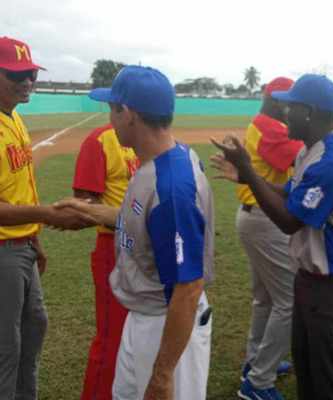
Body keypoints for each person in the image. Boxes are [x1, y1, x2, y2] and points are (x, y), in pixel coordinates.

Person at [211, 74, 333, 400]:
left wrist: (247, 169)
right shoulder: (311, 151)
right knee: (310, 378)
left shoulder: (331, 159)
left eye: (292, 107)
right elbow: (289, 193)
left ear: (310, 112)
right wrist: (248, 174)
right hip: (314, 282)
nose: (285, 113)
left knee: (331, 386)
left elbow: (289, 220)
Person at [58, 65, 214, 400]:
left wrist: (163, 375)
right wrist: (89, 210)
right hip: (144, 314)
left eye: (112, 110)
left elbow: (187, 287)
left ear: (128, 114)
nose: (109, 119)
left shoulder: (172, 189)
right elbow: (146, 225)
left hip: (168, 324)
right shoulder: (156, 161)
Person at [0, 36, 92, 400]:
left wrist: (35, 238)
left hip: (21, 246)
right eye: (15, 75)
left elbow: (21, 186)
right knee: (6, 348)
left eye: (31, 75)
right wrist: (48, 214)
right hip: (3, 251)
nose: (26, 83)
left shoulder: (14, 119)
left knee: (35, 328)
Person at [235, 77, 299, 400]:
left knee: (266, 298)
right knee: (289, 299)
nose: (290, 107)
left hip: (256, 216)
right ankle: (259, 381)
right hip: (265, 219)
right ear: (273, 100)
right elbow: (296, 157)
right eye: (286, 101)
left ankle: (255, 362)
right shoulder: (268, 125)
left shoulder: (264, 123)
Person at [73, 123, 139, 400]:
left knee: (136, 335)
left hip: (141, 249)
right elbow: (83, 203)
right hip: (113, 247)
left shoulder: (141, 137)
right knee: (113, 337)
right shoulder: (99, 140)